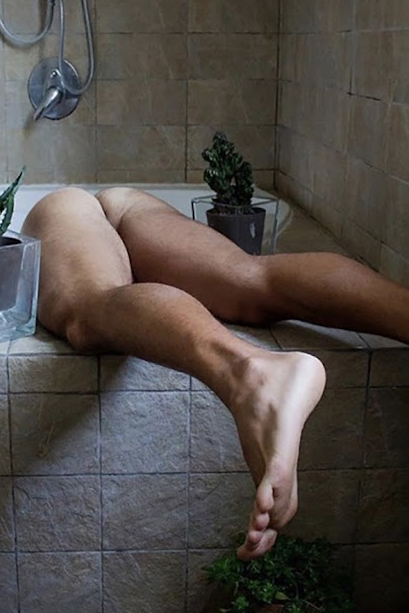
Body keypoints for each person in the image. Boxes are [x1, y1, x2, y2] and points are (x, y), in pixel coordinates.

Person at [21, 186, 409, 560]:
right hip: (116, 205)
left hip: (80, 209)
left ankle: (248, 373)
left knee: (90, 307)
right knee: (251, 277)